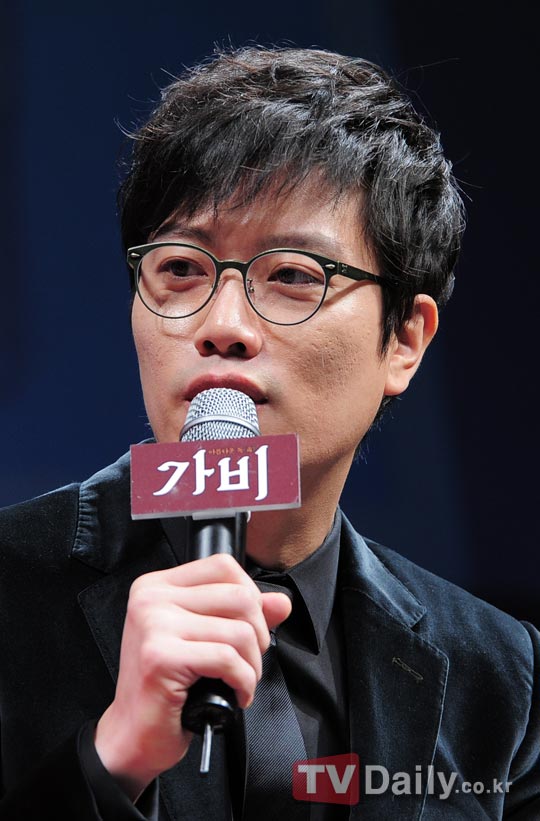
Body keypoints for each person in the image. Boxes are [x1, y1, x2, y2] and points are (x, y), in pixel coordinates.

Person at [0, 45, 538, 821]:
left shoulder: (501, 676)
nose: (221, 325)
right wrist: (113, 761)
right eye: (181, 268)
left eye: (291, 275)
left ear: (404, 340)